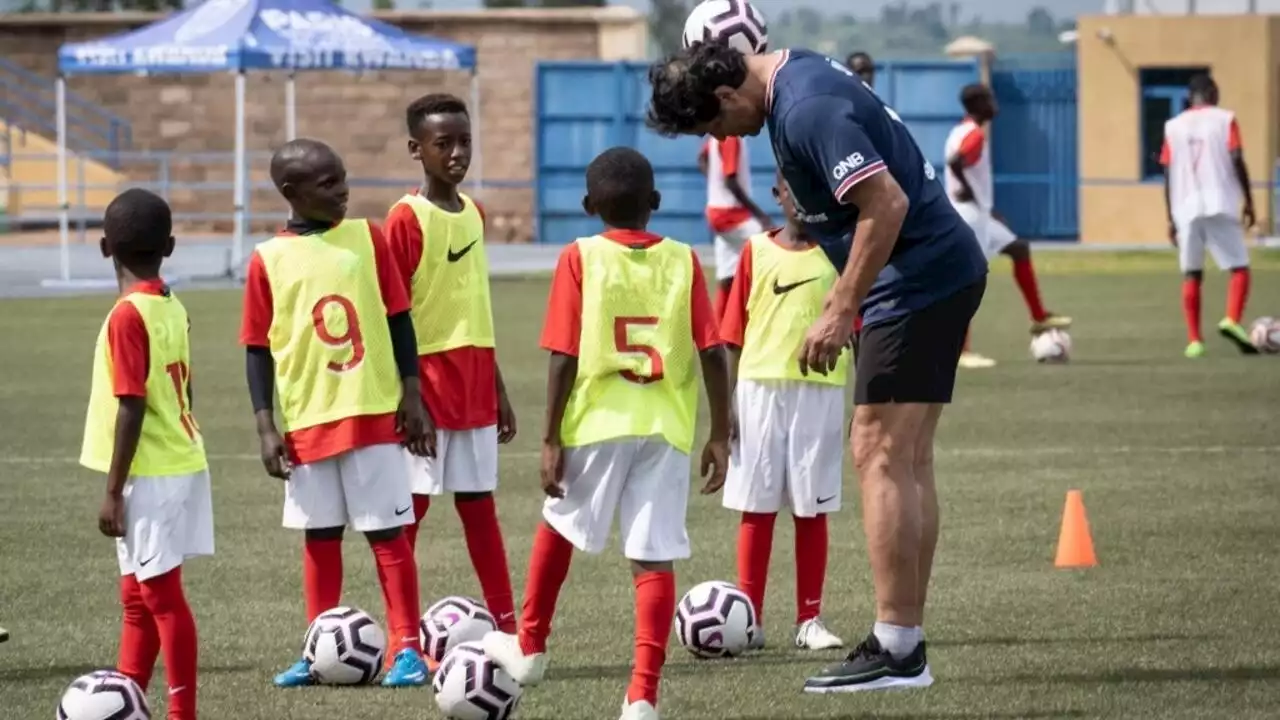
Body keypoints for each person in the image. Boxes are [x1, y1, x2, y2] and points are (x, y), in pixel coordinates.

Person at [647, 43, 989, 692]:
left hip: (913, 283)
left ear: (725, 97)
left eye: (716, 125)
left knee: (879, 452)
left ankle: (896, 646)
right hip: (933, 274)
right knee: (907, 457)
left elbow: (885, 204)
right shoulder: (788, 75)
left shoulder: (805, 109)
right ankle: (905, 640)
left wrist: (840, 307)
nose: (727, 138)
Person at [480, 147, 732, 720]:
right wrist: (721, 432)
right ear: (657, 203)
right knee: (653, 556)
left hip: (597, 422)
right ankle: (642, 697)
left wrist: (549, 437)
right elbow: (714, 352)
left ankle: (530, 648)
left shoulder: (581, 256)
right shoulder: (684, 259)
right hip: (665, 427)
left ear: (589, 205)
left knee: (561, 528)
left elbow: (564, 355)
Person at [240, 138, 432, 688]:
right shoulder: (268, 259)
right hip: (307, 423)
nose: (342, 190)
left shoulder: (369, 238)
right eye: (327, 184)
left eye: (343, 178)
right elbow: (257, 348)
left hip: (372, 414)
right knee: (319, 536)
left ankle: (407, 649)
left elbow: (399, 319)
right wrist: (265, 425)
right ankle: (317, 645)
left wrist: (412, 394)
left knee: (388, 535)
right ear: (290, 193)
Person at [385, 94, 518, 637]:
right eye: (445, 144)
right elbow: (393, 313)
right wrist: (409, 394)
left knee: (479, 507)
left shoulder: (475, 214)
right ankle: (404, 636)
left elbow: (474, 308)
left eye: (464, 141)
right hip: (428, 386)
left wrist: (499, 388)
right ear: (417, 150)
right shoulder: (405, 219)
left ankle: (510, 628)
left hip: (475, 381)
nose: (458, 153)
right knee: (410, 513)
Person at [79, 188, 210, 719]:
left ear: (104, 247)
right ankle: (126, 695)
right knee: (136, 595)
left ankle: (183, 713)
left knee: (161, 596)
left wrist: (113, 492)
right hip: (177, 458)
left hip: (151, 471)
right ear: (171, 246)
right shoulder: (169, 304)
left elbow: (130, 405)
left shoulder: (127, 316)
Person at [720, 170, 847, 653]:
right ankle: (747, 619)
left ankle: (809, 618)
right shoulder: (754, 251)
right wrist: (729, 404)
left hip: (819, 390)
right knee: (758, 505)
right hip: (758, 390)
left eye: (811, 188)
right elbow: (732, 333)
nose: (801, 198)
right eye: (792, 188)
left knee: (811, 507)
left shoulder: (840, 253)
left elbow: (856, 329)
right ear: (778, 194)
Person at [944, 83, 1070, 369]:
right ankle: (961, 351)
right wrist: (968, 192)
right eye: (991, 98)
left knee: (1019, 248)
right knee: (967, 281)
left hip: (977, 212)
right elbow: (955, 162)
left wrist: (989, 210)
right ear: (979, 103)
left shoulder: (959, 130)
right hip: (968, 214)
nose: (995, 104)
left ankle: (1039, 316)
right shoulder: (974, 135)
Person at [1161, 74, 1257, 358]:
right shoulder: (1225, 120)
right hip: (1220, 202)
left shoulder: (1172, 126)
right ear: (1213, 92)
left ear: (1190, 98)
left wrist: (1170, 217)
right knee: (1239, 267)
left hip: (1185, 208)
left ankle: (1194, 341)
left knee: (1192, 273)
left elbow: (1167, 172)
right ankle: (1231, 319)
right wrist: (1249, 201)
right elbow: (1237, 158)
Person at [697, 135, 772, 320]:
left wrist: (715, 185)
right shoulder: (732, 137)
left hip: (717, 212)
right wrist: (760, 215)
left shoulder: (717, 135)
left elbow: (702, 159)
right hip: (731, 214)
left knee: (727, 275)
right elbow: (731, 181)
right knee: (771, 247)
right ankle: (766, 316)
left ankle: (721, 330)